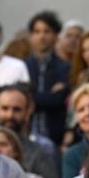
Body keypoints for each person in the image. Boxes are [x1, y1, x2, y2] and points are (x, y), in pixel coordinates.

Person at [0, 82, 60, 178]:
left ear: (29, 110)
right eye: (5, 108)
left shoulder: (41, 152)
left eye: (17, 109)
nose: (10, 115)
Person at [25, 11, 71, 145]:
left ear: (56, 36)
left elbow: (58, 100)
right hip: (26, 135)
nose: (42, 36)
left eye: (47, 31)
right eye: (37, 31)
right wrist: (49, 96)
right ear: (31, 36)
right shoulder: (22, 66)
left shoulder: (65, 67)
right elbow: (23, 98)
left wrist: (34, 97)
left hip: (56, 137)